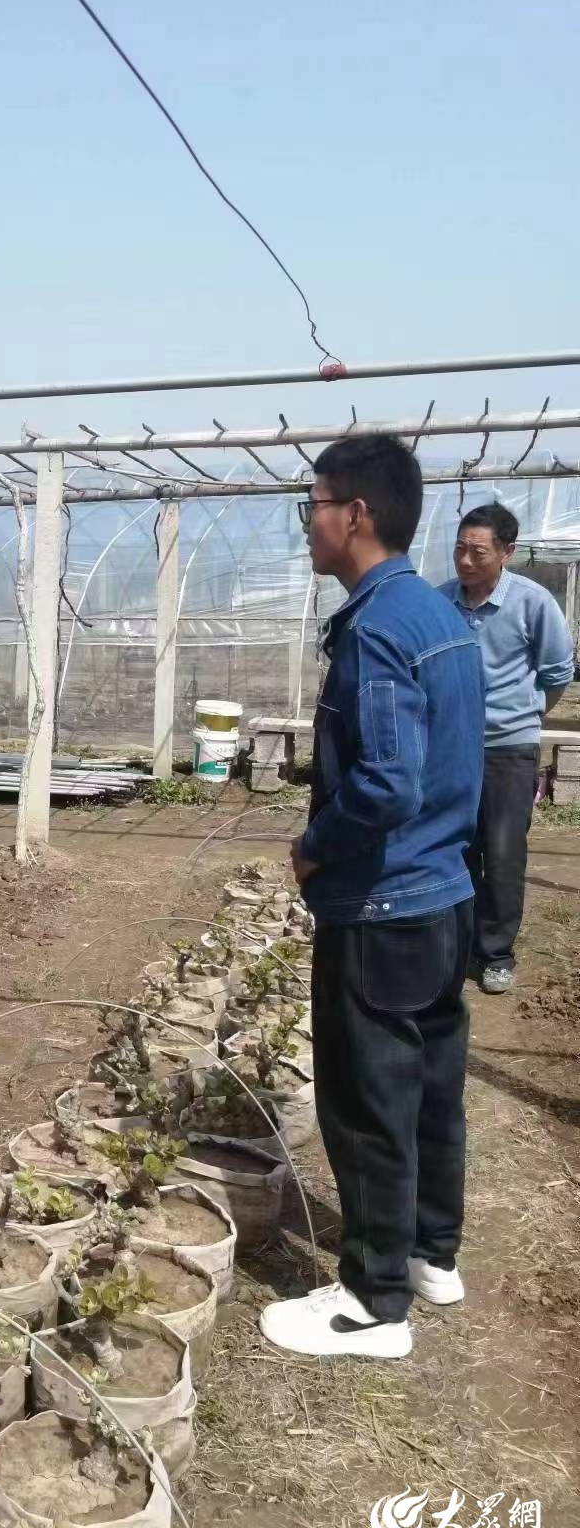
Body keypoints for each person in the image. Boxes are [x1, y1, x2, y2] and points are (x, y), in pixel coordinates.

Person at [259, 434, 485, 1361]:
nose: (305, 523)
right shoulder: (437, 616)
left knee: (367, 1102)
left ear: (354, 515)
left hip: (384, 905)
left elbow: (388, 780)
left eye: (311, 505)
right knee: (429, 1089)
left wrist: (314, 848)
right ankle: (431, 1253)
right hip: (443, 895)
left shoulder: (378, 627)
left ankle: (371, 1301)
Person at [438, 502, 575, 994]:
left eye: (477, 552)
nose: (465, 560)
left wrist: (525, 716)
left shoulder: (533, 603)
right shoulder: (440, 601)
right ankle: (454, 946)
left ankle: (495, 953)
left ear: (507, 552)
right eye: (460, 549)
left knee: (501, 852)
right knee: (452, 847)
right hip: (452, 749)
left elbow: (557, 673)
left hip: (508, 750)